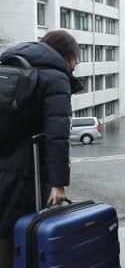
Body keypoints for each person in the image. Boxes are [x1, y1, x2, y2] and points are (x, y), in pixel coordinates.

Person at [0, 30, 82, 268]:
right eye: (76, 59)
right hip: (26, 171)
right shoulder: (56, 76)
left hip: (5, 163)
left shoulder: (11, 63)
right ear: (68, 56)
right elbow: (57, 136)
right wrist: (58, 184)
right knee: (22, 235)